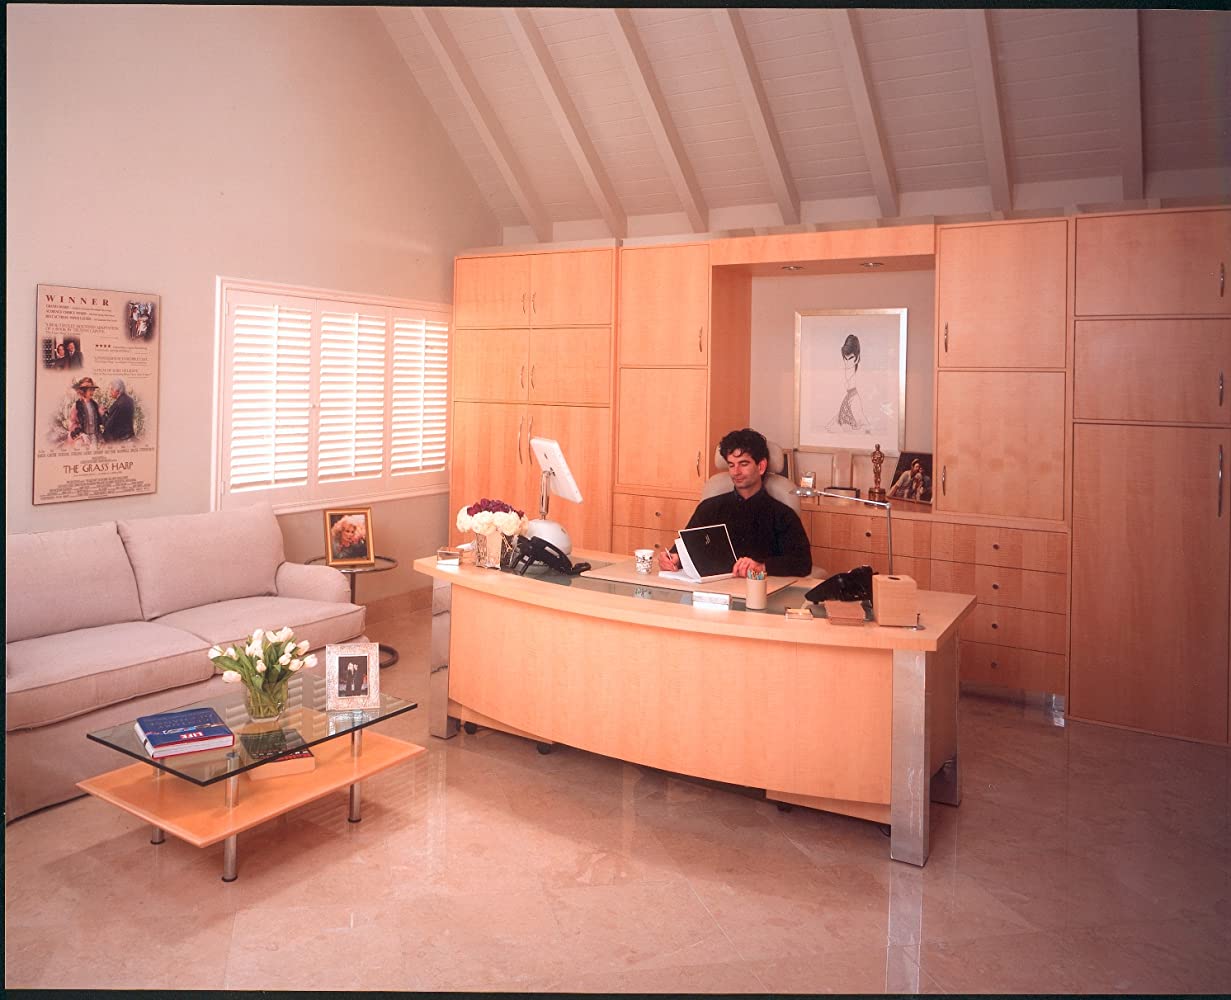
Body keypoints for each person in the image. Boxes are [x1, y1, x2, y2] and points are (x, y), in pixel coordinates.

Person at [657, 428, 812, 579]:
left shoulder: (782, 514)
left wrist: (762, 566)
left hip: (759, 588)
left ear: (761, 466)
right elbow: (684, 548)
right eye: (731, 465)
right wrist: (673, 558)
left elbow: (803, 563)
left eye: (743, 464)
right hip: (715, 589)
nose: (736, 472)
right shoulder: (710, 508)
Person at [825, 333, 871, 433]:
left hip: (853, 397)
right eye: (845, 358)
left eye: (850, 358)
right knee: (830, 426)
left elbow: (866, 426)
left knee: (860, 426)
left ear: (857, 358)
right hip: (848, 397)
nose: (847, 362)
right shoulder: (844, 374)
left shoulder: (859, 379)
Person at [68, 376, 102, 443]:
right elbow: (72, 423)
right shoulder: (77, 405)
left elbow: (98, 422)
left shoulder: (95, 405)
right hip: (83, 438)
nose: (92, 392)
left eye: (93, 390)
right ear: (83, 391)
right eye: (90, 390)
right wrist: (81, 434)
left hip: (95, 437)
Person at [101, 378, 135, 442]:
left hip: (118, 438)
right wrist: (108, 412)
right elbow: (120, 418)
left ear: (117, 390)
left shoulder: (118, 404)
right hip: (129, 435)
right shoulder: (130, 400)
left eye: (112, 389)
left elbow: (108, 425)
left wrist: (102, 414)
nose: (110, 392)